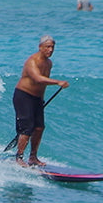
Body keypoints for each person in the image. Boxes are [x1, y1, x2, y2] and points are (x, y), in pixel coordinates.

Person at [13, 35, 69, 166]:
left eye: (52, 47)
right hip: (23, 96)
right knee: (27, 129)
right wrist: (58, 82)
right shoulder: (32, 61)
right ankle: (19, 157)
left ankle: (33, 158)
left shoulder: (49, 63)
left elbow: (42, 85)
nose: (50, 50)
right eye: (47, 47)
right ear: (40, 47)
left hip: (37, 99)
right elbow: (37, 79)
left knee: (39, 128)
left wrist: (40, 101)